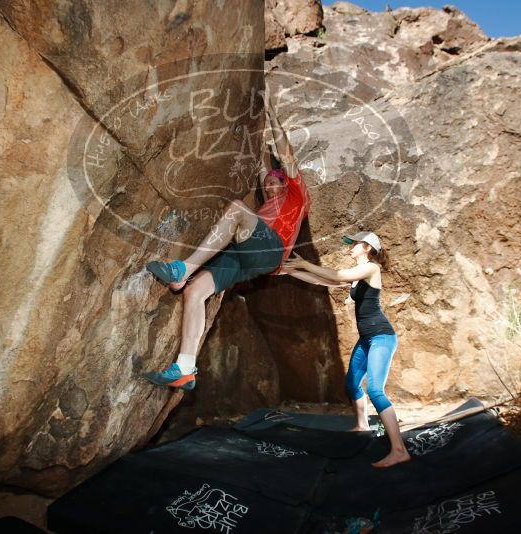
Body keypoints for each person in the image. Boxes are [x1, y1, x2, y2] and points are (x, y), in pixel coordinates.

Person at [143, 96, 311, 390]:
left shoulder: (297, 196)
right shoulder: (266, 205)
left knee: (236, 210)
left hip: (271, 250)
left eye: (277, 182)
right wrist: (252, 125)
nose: (271, 186)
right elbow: (261, 159)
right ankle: (185, 368)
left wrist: (270, 109)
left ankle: (182, 270)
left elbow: (285, 155)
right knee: (195, 293)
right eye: (268, 183)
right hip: (246, 259)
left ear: (287, 182)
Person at [283, 232, 410, 468]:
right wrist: (292, 272)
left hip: (382, 337)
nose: (350, 247)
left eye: (354, 244)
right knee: (352, 383)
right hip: (367, 339)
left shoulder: (371, 269)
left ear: (366, 247)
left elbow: (337, 274)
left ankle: (399, 450)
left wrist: (303, 263)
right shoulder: (357, 275)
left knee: (374, 389)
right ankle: (362, 424)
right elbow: (324, 281)